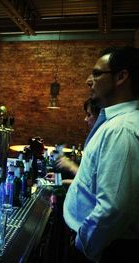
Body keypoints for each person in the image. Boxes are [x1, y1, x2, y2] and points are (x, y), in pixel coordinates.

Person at [63, 46, 139, 262]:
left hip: (101, 250)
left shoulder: (122, 129)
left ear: (121, 77)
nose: (89, 80)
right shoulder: (115, 123)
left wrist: (83, 242)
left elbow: (115, 208)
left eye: (96, 73)